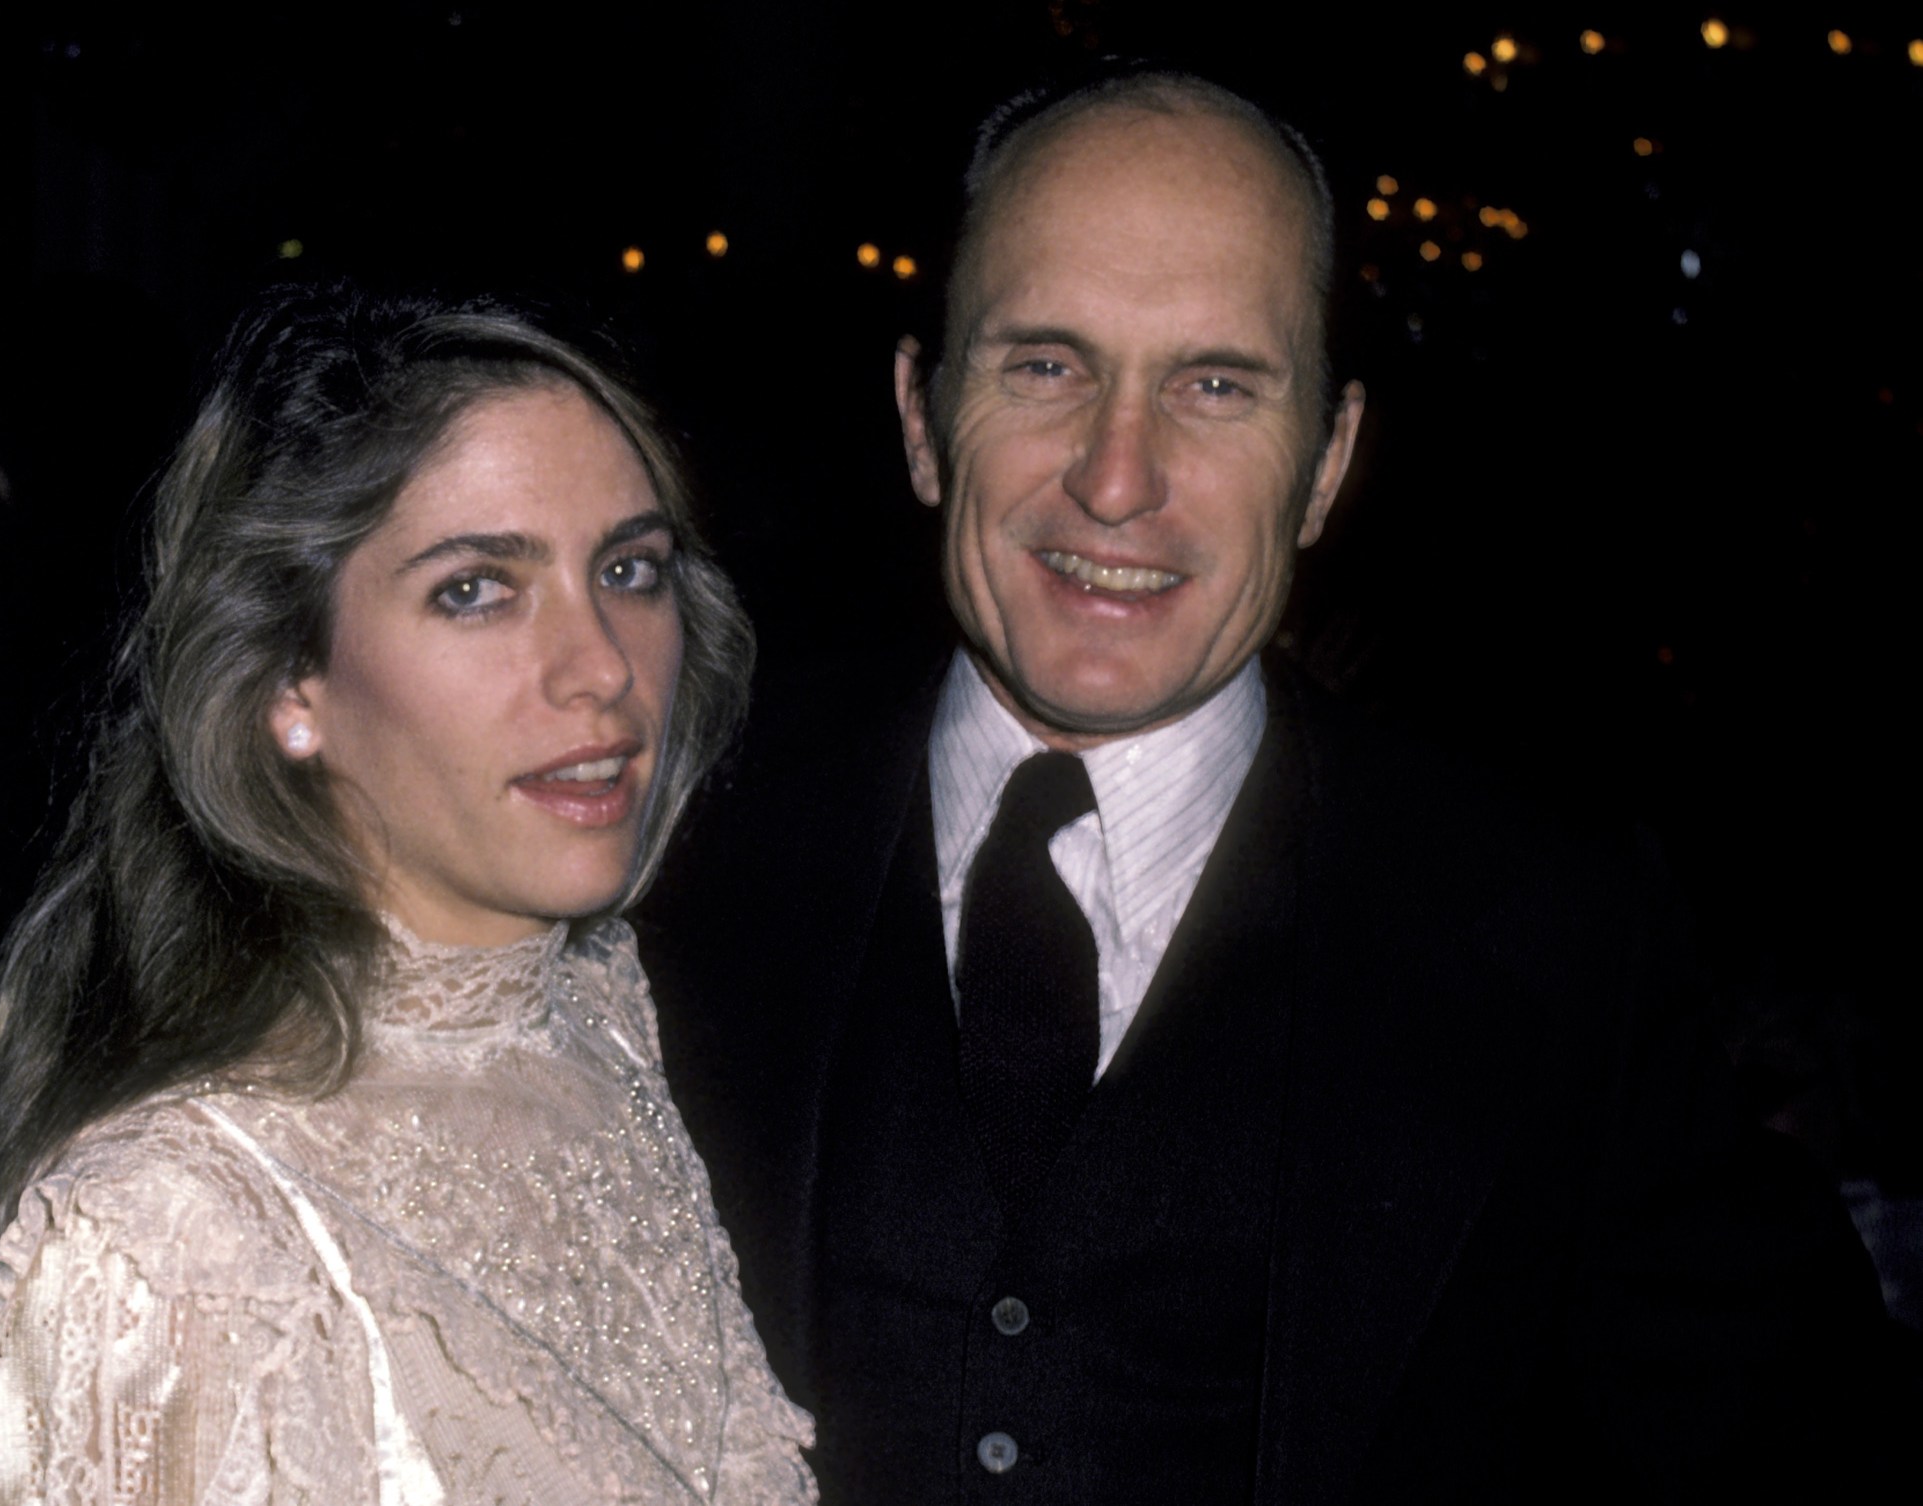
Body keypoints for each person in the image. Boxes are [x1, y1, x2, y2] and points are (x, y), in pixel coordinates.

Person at [636, 64, 1897, 1502]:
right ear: (921, 418)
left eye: (1215, 385)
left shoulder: (1557, 936)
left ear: (1326, 459)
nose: (1117, 478)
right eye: (1044, 367)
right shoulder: (666, 829)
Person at [0, 284, 817, 1505]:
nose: (604, 669)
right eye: (476, 588)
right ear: (288, 683)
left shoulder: (595, 1010)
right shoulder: (165, 1246)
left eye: (629, 570)